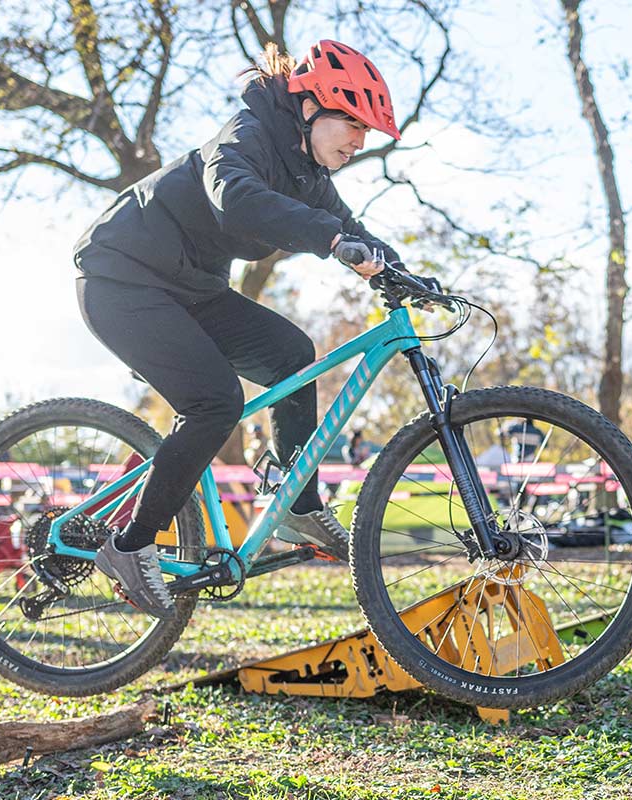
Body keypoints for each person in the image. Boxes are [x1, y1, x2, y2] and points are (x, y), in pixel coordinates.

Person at [73, 40, 403, 619]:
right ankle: (129, 545)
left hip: (191, 289)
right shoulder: (245, 134)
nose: (360, 140)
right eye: (352, 123)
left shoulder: (308, 173)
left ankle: (296, 503)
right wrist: (329, 240)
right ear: (311, 107)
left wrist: (405, 274)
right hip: (121, 279)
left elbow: (350, 226)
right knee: (214, 402)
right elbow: (237, 197)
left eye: (367, 131)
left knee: (294, 354)